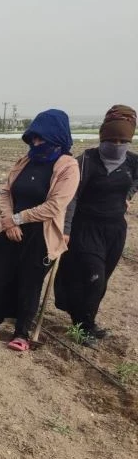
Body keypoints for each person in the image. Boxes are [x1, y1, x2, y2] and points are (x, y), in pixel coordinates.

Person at [0, 109, 79, 351]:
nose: (36, 143)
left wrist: (17, 219)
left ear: (57, 138)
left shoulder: (67, 166)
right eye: (33, 139)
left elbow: (54, 206)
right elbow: (6, 191)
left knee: (29, 283)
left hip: (41, 234)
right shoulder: (25, 161)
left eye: (41, 139)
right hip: (11, 229)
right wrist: (8, 221)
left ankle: (22, 334)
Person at [54, 105, 138, 345]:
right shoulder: (86, 161)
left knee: (102, 281)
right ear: (103, 137)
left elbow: (136, 181)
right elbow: (73, 197)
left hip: (115, 231)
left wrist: (128, 195)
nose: (117, 144)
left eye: (123, 140)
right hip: (85, 228)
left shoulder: (132, 163)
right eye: (112, 139)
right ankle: (83, 327)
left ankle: (86, 320)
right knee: (93, 277)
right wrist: (67, 230)